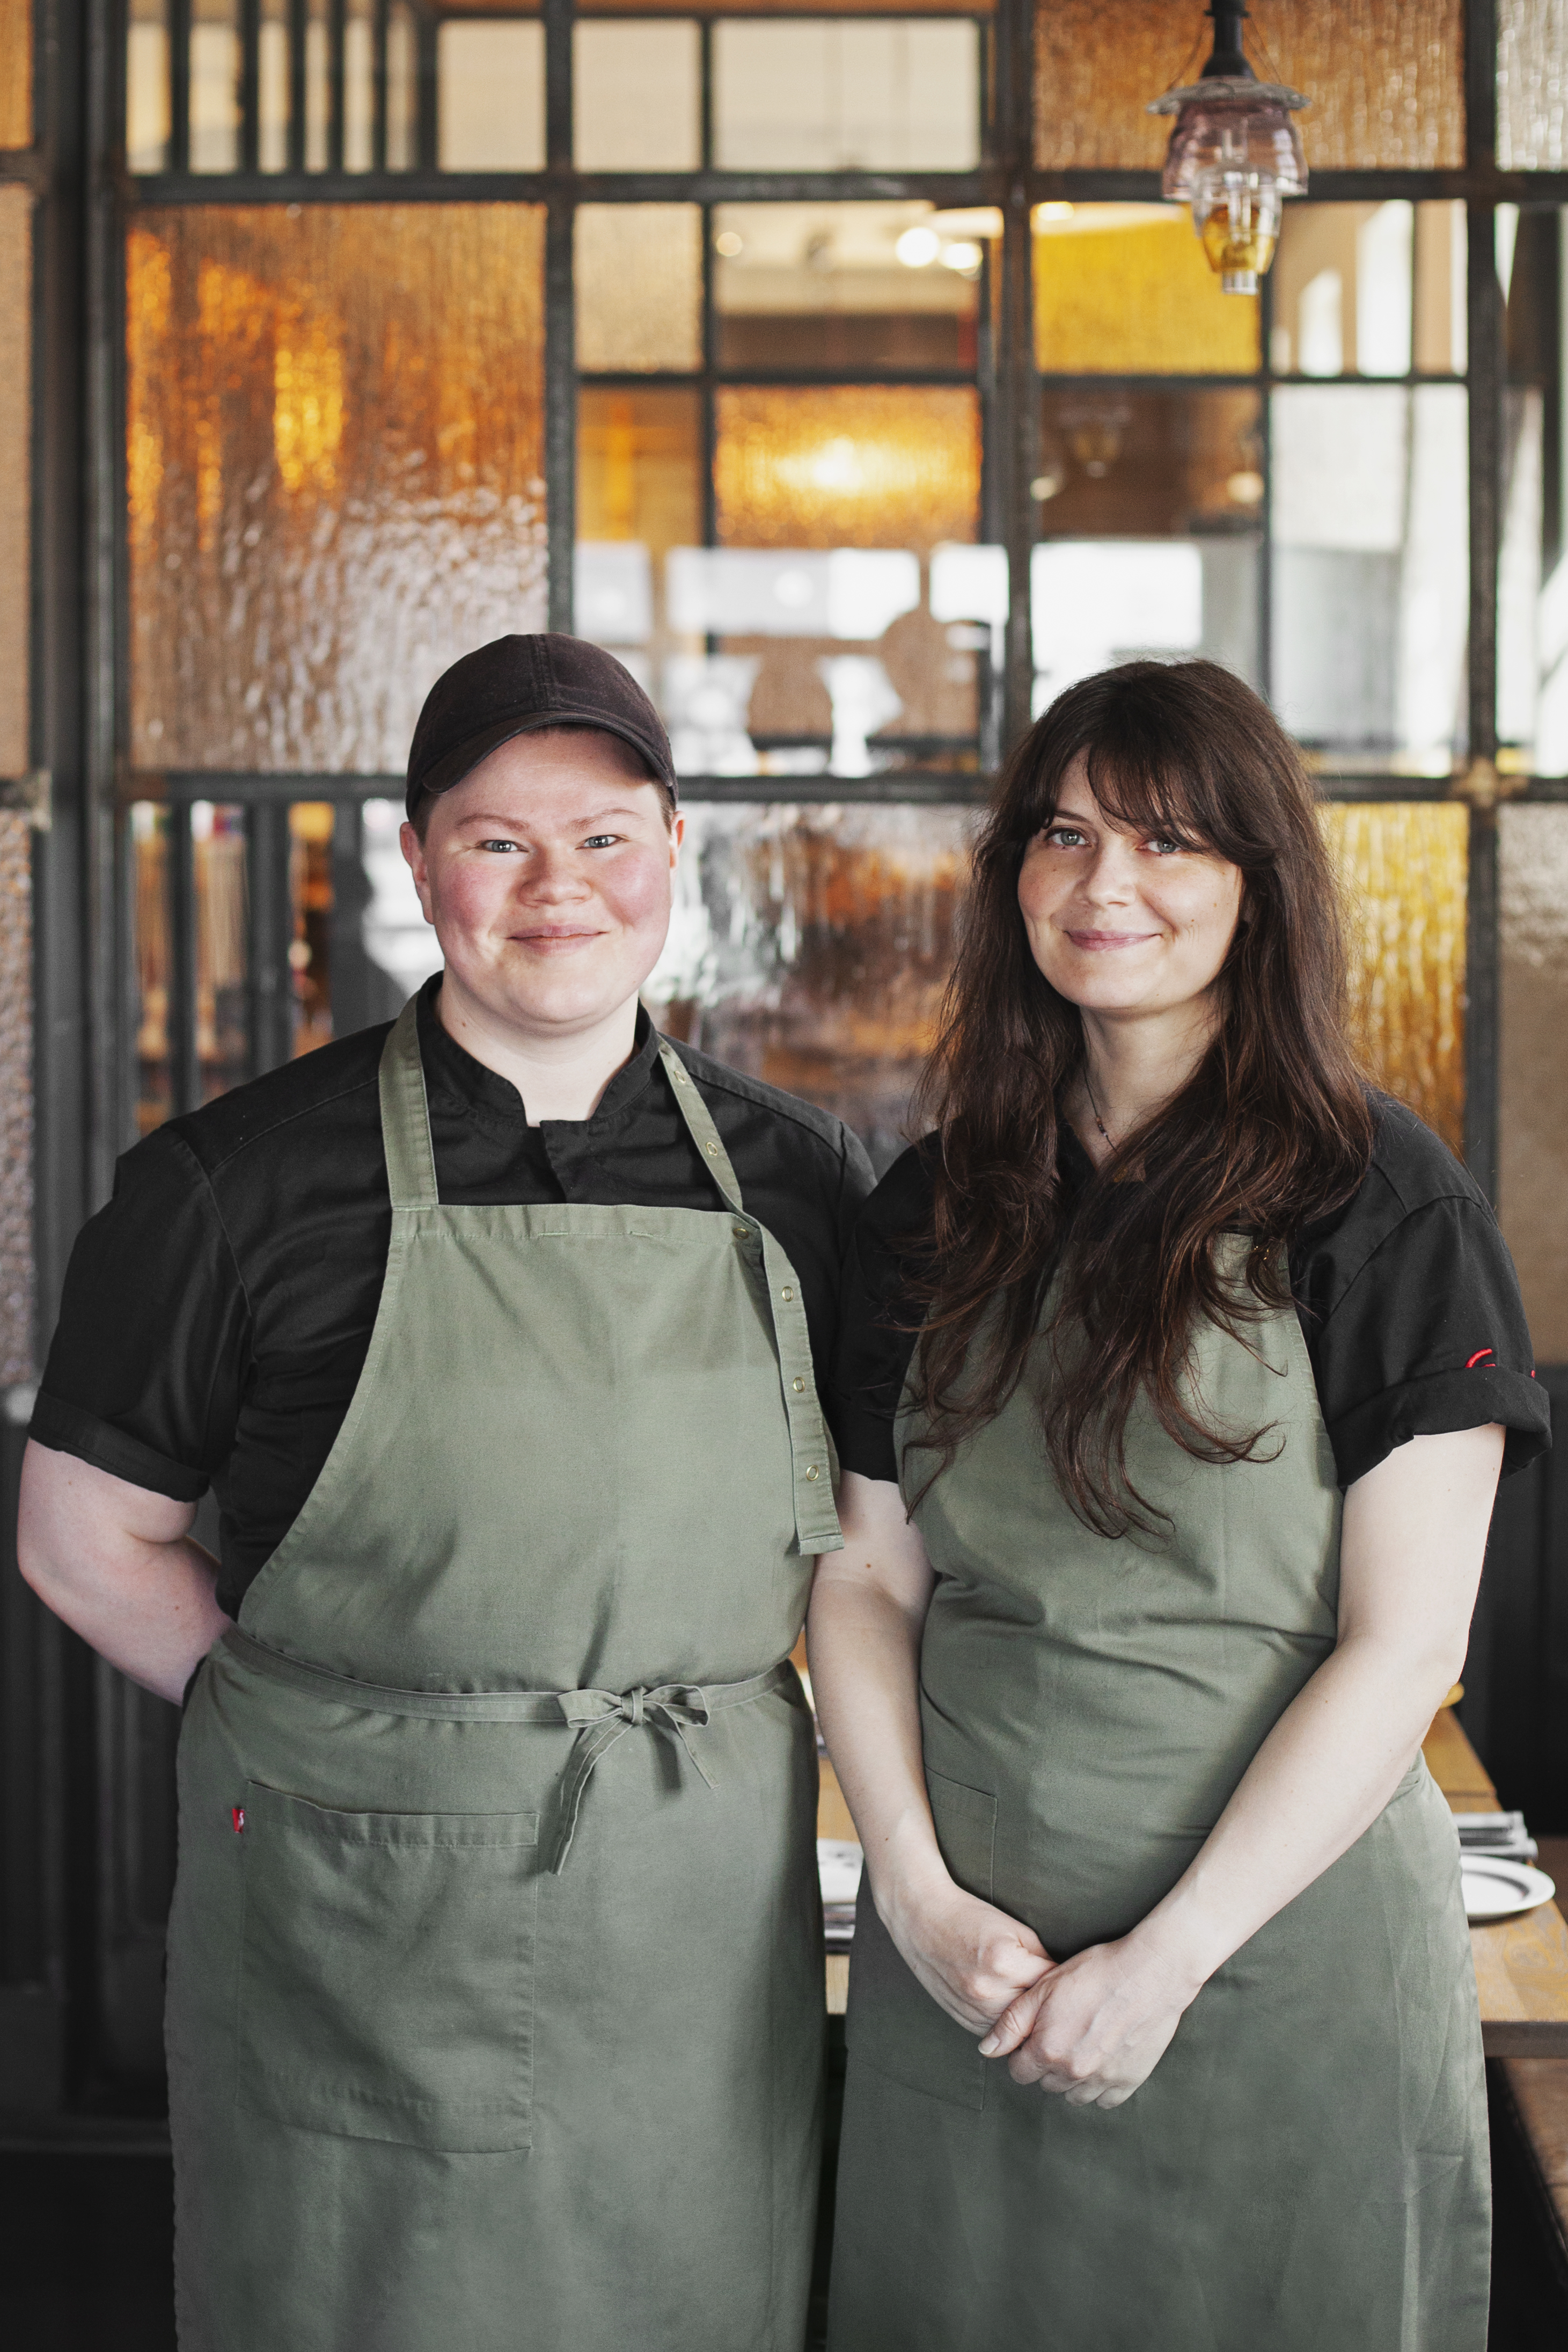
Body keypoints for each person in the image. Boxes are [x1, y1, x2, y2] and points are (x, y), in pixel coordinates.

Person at [18, 634, 873, 2352]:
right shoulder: (228, 1184)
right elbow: (79, 1538)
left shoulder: (798, 1180)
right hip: (360, 1908)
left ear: (674, 852)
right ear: (420, 863)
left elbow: (864, 1543)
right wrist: (329, 1732)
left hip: (697, 1910)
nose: (558, 889)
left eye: (607, 837)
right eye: (497, 841)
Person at [808, 659, 1550, 2352]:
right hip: (965, 1973)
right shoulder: (936, 1200)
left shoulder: (1376, 1199)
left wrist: (1166, 1958)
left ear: (1257, 887)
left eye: (1166, 843)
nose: (1102, 886)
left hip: (1268, 1967)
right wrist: (912, 1901)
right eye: (1062, 835)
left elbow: (1403, 1643)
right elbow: (864, 1577)